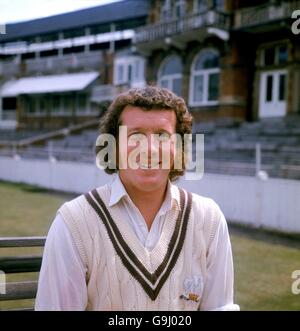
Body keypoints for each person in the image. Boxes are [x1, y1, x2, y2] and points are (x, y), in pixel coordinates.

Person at [35, 86, 239, 311]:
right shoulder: (73, 223)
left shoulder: (209, 219)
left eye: (162, 135)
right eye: (136, 135)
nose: (150, 148)